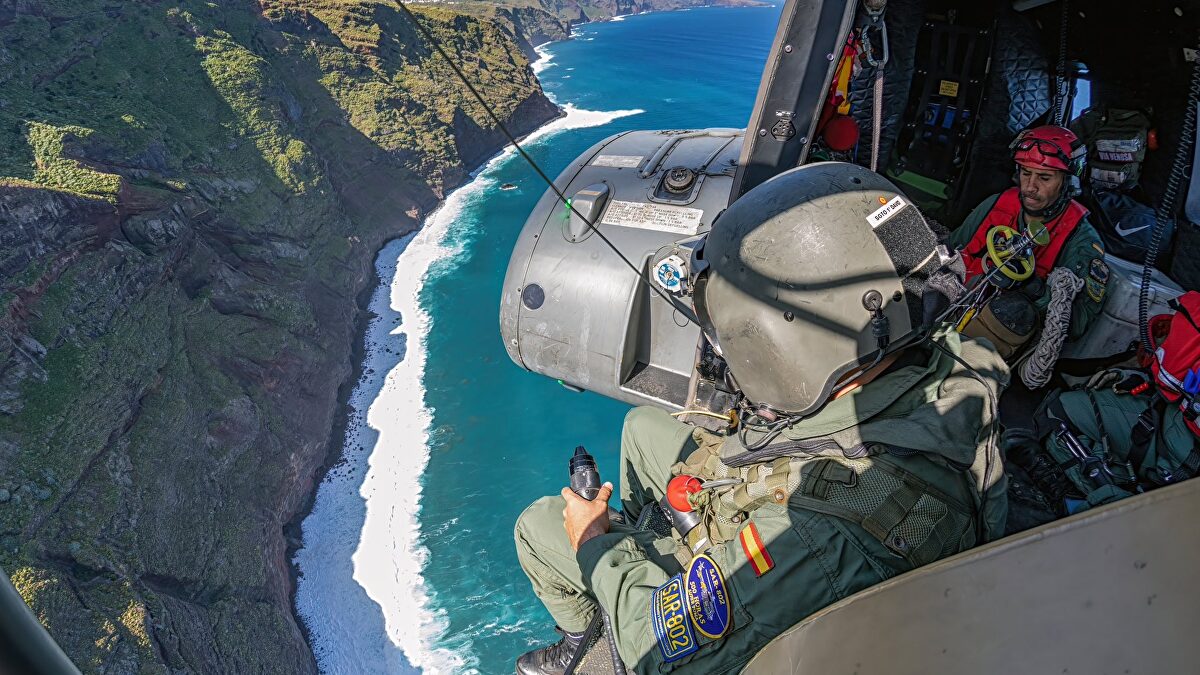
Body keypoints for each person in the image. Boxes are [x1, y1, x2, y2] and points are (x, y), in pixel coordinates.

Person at [513, 163, 1009, 675]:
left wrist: (595, 543)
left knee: (540, 525)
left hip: (777, 563)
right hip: (837, 454)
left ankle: (586, 637)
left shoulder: (822, 541)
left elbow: (656, 656)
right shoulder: (946, 359)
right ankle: (645, 535)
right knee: (642, 427)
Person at [1005, 291, 1200, 526]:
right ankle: (1102, 485)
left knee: (1059, 419)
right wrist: (1140, 377)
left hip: (1181, 466)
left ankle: (1086, 505)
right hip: (1170, 422)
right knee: (1064, 409)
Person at [946, 125, 1109, 355]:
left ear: (1068, 182)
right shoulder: (998, 203)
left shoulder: (1081, 240)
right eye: (1025, 173)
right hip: (952, 308)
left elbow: (1078, 324)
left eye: (1044, 177)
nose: (1030, 187)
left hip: (996, 339)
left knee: (1015, 310)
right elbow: (950, 249)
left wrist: (1031, 288)